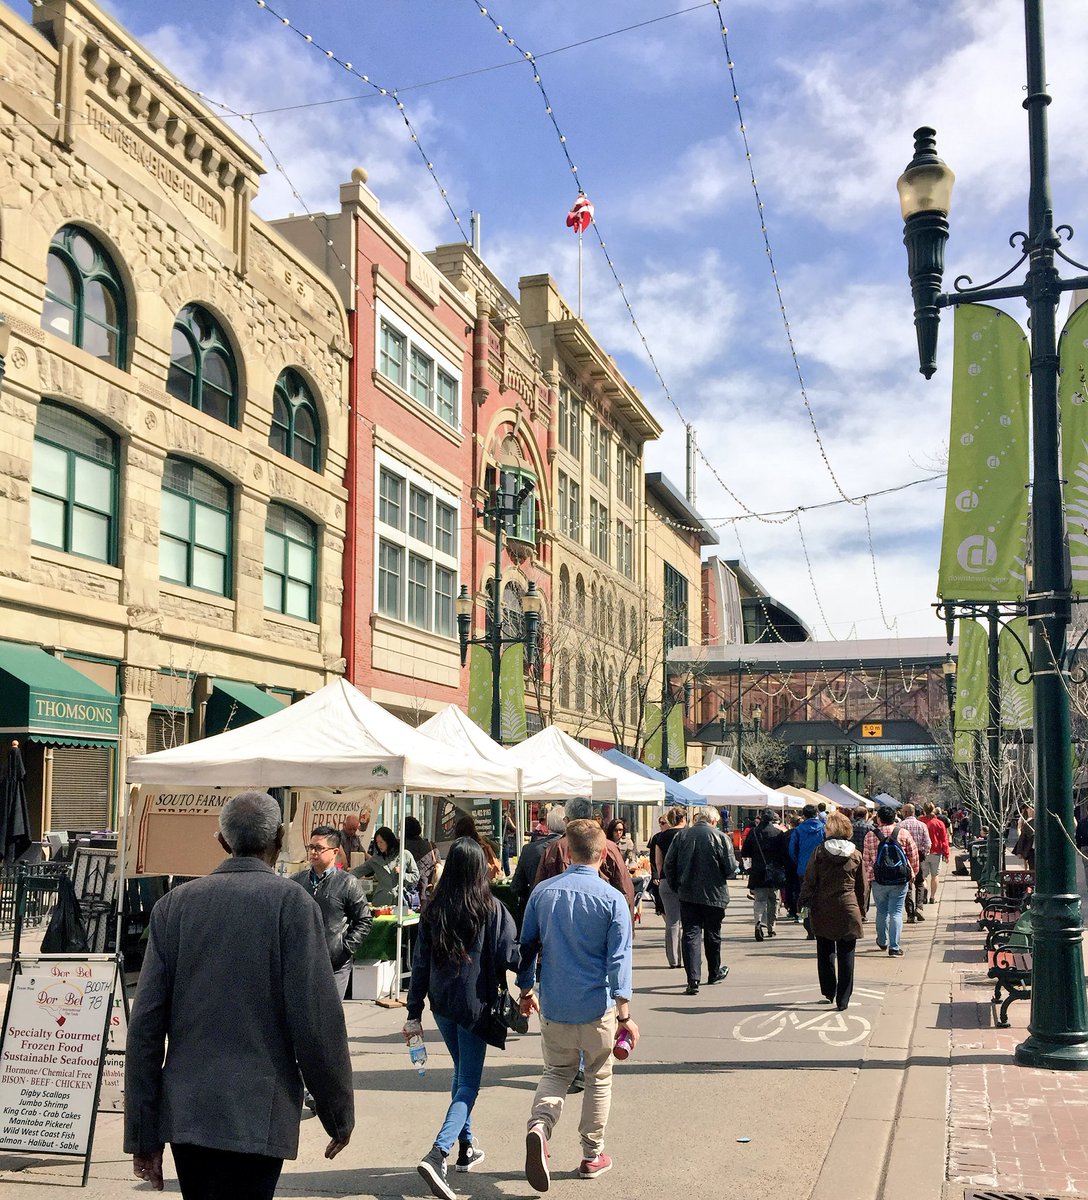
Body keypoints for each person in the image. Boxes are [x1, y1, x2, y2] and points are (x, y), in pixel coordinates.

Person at [125, 791, 353, 1198]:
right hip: (260, 1107)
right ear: (280, 840)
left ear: (221, 841)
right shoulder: (293, 905)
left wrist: (143, 1133)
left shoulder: (173, 907)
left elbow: (144, 1028)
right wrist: (337, 1113)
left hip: (189, 1108)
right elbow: (315, 1021)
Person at [516, 818, 637, 1188]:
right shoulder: (613, 899)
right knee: (598, 1077)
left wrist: (525, 990)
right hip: (595, 1005)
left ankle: (541, 1123)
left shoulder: (543, 893)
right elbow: (619, 959)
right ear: (604, 854)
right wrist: (624, 1014)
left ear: (566, 851)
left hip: (554, 1003)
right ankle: (591, 1153)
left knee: (556, 1072)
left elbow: (527, 947)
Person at [405, 838, 519, 1200]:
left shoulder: (434, 907)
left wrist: (413, 1010)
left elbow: (419, 963)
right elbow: (509, 955)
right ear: (480, 868)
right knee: (469, 1082)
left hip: (442, 1004)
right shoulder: (492, 908)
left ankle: (466, 1147)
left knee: (460, 1074)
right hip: (475, 1004)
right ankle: (438, 1153)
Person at [663, 806, 738, 995]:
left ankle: (693, 979)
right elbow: (730, 868)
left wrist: (676, 886)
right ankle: (713, 972)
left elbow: (668, 864)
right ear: (713, 821)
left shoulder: (682, 836)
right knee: (713, 933)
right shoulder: (721, 838)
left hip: (688, 893)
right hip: (714, 894)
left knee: (690, 934)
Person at [290, 826, 372, 998]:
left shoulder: (347, 883)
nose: (313, 852)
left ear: (335, 852)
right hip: (302, 962)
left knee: (330, 1018)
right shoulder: (297, 882)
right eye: (310, 847)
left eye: (319, 848)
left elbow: (364, 920)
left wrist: (345, 949)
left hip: (335, 965)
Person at [798, 810, 866, 1011]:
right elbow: (862, 886)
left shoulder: (819, 852)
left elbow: (810, 879)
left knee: (825, 949)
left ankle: (829, 990)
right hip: (848, 905)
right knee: (847, 953)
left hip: (823, 905)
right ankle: (843, 998)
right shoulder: (855, 854)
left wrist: (802, 900)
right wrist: (861, 909)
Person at [535, 797, 635, 914]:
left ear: (566, 821)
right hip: (601, 918)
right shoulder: (609, 847)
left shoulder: (557, 848)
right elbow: (626, 890)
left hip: (564, 919)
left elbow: (539, 893)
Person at [862, 804, 920, 957]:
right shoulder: (903, 833)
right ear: (894, 817)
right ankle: (894, 947)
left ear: (878, 818)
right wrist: (912, 872)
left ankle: (882, 940)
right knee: (896, 912)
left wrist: (869, 877)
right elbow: (913, 855)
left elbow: (866, 859)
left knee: (881, 911)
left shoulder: (870, 835)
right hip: (899, 878)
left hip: (878, 879)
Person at [741, 808, 789, 941]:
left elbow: (745, 852)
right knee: (774, 899)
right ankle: (771, 927)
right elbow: (784, 854)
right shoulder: (779, 833)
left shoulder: (753, 832)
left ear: (761, 818)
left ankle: (758, 922)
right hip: (774, 871)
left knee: (759, 900)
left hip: (758, 870)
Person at [512, 804, 565, 914]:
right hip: (564, 912)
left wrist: (532, 894)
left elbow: (517, 886)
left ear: (548, 825)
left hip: (535, 908)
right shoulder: (573, 849)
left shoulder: (529, 850)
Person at [651, 807, 687, 967]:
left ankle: (673, 959)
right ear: (683, 819)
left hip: (666, 881)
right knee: (687, 921)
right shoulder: (687, 835)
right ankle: (688, 957)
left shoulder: (660, 837)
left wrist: (662, 875)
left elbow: (658, 862)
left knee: (672, 921)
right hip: (685, 882)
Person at [353, 826, 420, 907]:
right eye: (377, 843)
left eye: (381, 842)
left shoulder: (404, 854)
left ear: (388, 841)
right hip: (381, 901)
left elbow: (416, 876)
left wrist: (403, 875)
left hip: (400, 900)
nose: (379, 845)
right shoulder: (375, 859)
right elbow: (359, 871)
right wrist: (342, 877)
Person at [788, 805, 825, 938]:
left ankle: (808, 926)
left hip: (803, 868)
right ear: (816, 814)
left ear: (803, 815)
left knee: (804, 896)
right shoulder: (823, 828)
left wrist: (799, 861)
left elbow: (792, 850)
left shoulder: (798, 830)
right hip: (821, 867)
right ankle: (819, 925)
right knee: (820, 897)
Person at [897, 803, 931, 922]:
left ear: (906, 813)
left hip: (904, 858)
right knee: (920, 882)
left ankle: (910, 914)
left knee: (908, 885)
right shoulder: (922, 825)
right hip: (919, 857)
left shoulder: (899, 826)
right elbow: (928, 843)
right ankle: (919, 907)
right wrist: (924, 854)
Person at [452, 814, 504, 881]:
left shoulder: (457, 846)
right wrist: (486, 844)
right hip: (480, 878)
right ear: (473, 828)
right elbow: (497, 848)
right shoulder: (479, 840)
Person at [919, 801, 950, 904]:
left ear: (924, 810)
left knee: (923, 876)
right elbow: (944, 839)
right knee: (935, 875)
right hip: (936, 852)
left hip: (923, 852)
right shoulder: (939, 823)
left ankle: (924, 890)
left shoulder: (920, 821)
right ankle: (932, 897)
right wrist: (946, 853)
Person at [404, 816, 441, 898]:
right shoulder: (430, 846)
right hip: (428, 889)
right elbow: (438, 865)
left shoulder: (402, 847)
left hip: (408, 891)